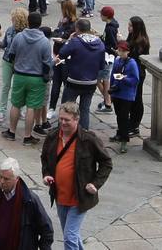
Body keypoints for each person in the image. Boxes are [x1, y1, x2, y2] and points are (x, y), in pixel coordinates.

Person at [41, 101, 113, 250]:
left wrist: (95, 184)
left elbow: (107, 162)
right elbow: (45, 158)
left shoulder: (88, 139)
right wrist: (46, 174)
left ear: (76, 119)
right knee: (71, 235)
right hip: (60, 195)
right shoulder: (53, 136)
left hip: (80, 197)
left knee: (69, 237)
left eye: (67, 120)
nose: (63, 122)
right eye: (61, 119)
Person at [0, 157, 55, 250]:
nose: (2, 182)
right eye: (0, 177)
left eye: (6, 179)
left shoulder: (30, 200)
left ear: (16, 179)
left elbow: (46, 230)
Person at [4, 12, 52, 145]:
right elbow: (47, 63)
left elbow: (11, 55)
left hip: (19, 74)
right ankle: (27, 136)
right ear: (40, 24)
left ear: (28, 22)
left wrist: (16, 66)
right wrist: (45, 77)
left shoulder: (19, 37)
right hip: (36, 78)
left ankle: (11, 131)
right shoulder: (44, 41)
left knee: (16, 104)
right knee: (31, 106)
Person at [58, 19, 105, 130]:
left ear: (77, 29)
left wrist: (69, 40)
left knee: (66, 107)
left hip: (74, 80)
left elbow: (62, 53)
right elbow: (102, 66)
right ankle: (84, 133)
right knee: (85, 109)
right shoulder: (100, 43)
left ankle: (63, 131)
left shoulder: (75, 41)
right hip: (91, 82)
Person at [108, 42, 140, 152]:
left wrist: (124, 79)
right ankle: (120, 133)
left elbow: (135, 80)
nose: (120, 52)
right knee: (119, 115)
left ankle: (124, 140)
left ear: (128, 52)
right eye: (119, 50)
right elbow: (113, 75)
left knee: (124, 116)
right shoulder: (117, 60)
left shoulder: (132, 64)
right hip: (117, 92)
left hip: (126, 94)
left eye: (123, 51)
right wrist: (111, 87)